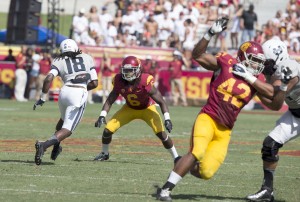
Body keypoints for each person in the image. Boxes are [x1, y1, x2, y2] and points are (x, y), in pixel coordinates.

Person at [156, 17, 268, 201]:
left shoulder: (257, 79)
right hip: (208, 117)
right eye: (254, 60)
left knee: (206, 172)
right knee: (197, 151)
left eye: (259, 61)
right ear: (243, 56)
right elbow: (198, 55)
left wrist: (252, 77)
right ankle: (165, 190)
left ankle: (181, 162)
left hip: (225, 130)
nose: (257, 65)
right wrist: (209, 34)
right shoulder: (226, 62)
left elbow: (273, 98)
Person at [241, 38, 300, 202]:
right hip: (296, 114)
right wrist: (255, 87)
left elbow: (276, 95)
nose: (264, 67)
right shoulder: (275, 72)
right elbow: (275, 105)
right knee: (269, 145)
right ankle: (267, 191)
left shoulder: (289, 66)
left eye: (266, 62)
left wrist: (250, 79)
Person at [93, 55, 180, 163]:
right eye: (126, 70)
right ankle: (104, 153)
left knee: (161, 133)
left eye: (131, 70)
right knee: (107, 130)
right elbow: (110, 100)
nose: (128, 73)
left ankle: (176, 157)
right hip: (129, 108)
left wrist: (167, 119)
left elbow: (161, 101)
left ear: (138, 70)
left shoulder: (145, 81)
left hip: (147, 108)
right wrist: (102, 115)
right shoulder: (119, 80)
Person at [33, 39, 98, 165]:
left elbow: (48, 79)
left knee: (63, 120)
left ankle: (56, 146)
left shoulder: (58, 60)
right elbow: (95, 83)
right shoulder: (87, 57)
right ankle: (44, 145)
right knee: (67, 129)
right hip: (78, 93)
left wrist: (42, 97)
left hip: (64, 92)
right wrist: (83, 87)